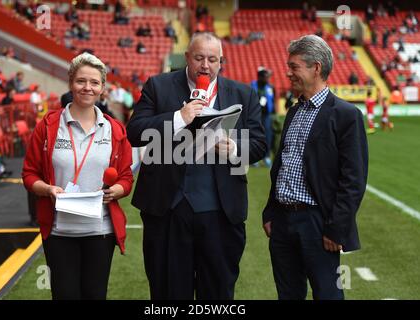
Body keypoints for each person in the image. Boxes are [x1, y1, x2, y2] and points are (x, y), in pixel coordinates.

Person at [127, 32, 266, 300]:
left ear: (221, 61)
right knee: (167, 291)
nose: (205, 65)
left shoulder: (244, 94)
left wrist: (235, 147)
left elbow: (260, 143)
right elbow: (135, 131)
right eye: (199, 58)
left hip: (221, 211)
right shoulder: (159, 86)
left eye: (212, 59)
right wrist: (178, 118)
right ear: (187, 57)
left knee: (217, 292)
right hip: (167, 208)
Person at [261, 35, 368, 300]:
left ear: (316, 68)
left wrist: (337, 228)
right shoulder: (293, 112)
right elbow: (283, 166)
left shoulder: (346, 115)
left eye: (294, 66)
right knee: (288, 294)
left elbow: (353, 180)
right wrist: (270, 211)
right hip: (283, 222)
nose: (289, 73)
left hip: (318, 224)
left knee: (327, 294)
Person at [22, 52, 134, 300]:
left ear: (103, 88)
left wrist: (118, 190)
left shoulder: (115, 130)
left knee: (95, 295)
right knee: (64, 296)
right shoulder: (49, 126)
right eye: (81, 81)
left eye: (94, 82)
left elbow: (126, 177)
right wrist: (47, 189)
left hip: (100, 231)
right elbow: (29, 174)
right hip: (60, 232)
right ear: (71, 82)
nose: (88, 87)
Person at [251, 67, 275, 167]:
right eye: (265, 77)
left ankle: (267, 157)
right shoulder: (252, 87)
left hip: (267, 116)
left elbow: (273, 100)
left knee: (268, 137)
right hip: (255, 116)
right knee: (255, 136)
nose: (267, 79)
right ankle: (254, 158)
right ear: (259, 77)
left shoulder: (270, 88)